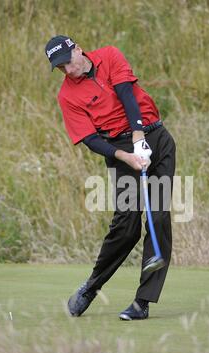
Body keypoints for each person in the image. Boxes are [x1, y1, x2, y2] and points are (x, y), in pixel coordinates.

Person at [45, 35, 176, 320]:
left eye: (68, 62)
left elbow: (127, 94)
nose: (67, 70)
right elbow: (91, 139)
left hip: (155, 137)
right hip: (121, 151)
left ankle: (142, 302)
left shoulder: (109, 55)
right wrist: (128, 156)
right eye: (60, 68)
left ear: (77, 49)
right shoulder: (67, 96)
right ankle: (91, 287)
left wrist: (141, 136)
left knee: (159, 218)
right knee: (126, 226)